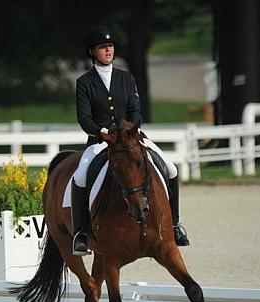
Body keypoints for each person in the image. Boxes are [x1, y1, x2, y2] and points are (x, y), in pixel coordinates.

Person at [71, 26, 189, 256]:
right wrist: (102, 131)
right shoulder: (84, 82)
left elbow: (136, 111)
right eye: (103, 47)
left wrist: (130, 129)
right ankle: (81, 233)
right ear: (92, 52)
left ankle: (174, 225)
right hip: (101, 141)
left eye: (110, 46)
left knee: (171, 168)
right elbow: (84, 118)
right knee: (80, 176)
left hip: (130, 139)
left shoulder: (126, 78)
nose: (108, 50)